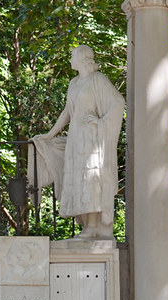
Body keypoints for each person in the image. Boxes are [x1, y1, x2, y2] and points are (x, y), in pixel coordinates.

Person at [32, 45, 124, 239]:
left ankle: (93, 227)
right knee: (79, 180)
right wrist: (49, 135)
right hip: (76, 137)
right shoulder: (74, 83)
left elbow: (118, 103)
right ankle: (87, 226)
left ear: (82, 58)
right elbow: (67, 113)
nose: (70, 59)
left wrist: (100, 122)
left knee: (90, 179)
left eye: (72, 56)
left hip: (91, 137)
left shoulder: (98, 80)